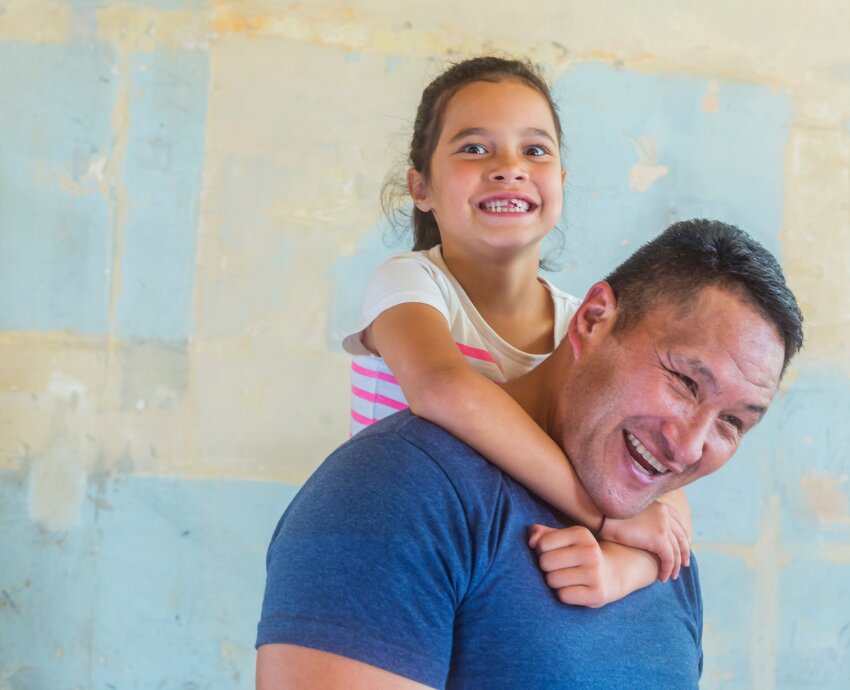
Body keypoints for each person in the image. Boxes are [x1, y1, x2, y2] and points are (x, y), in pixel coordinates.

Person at [256, 219, 805, 689]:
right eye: (685, 381)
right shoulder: (398, 490)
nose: (687, 448)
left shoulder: (660, 551)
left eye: (732, 422)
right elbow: (441, 385)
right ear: (591, 319)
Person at [342, 56, 693, 596]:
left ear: (561, 181)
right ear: (421, 187)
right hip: (397, 561)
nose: (510, 167)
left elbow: (666, 499)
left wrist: (620, 570)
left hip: (512, 581)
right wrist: (600, 519)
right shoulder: (407, 285)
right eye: (474, 148)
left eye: (535, 150)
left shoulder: (587, 325)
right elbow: (442, 389)